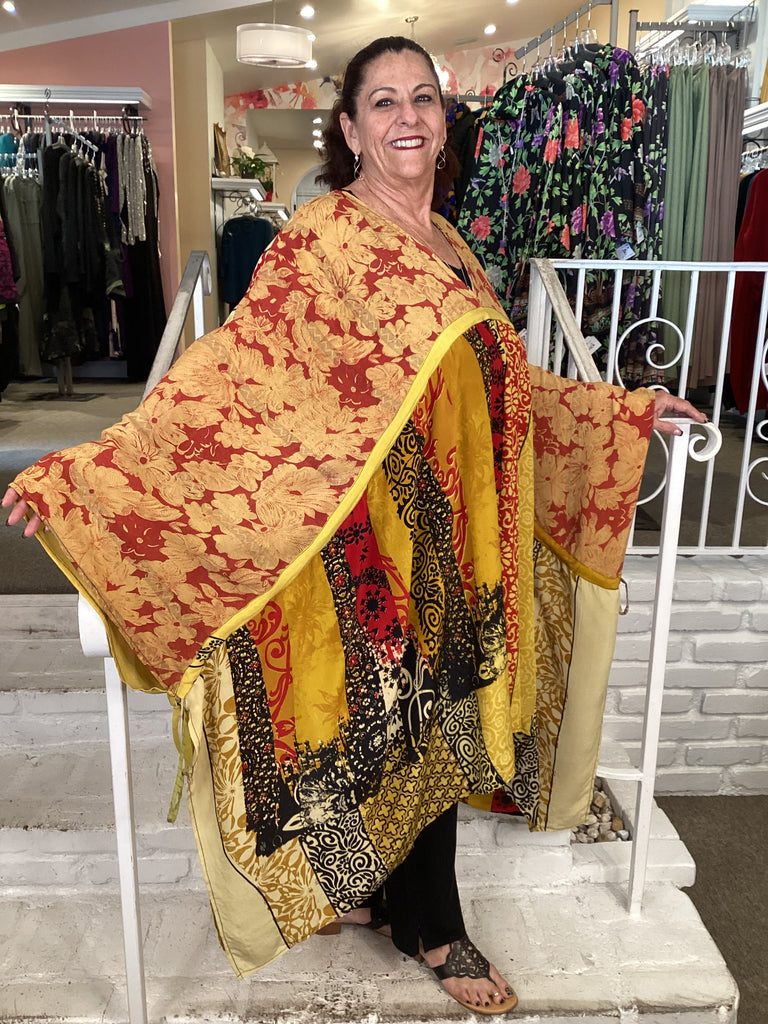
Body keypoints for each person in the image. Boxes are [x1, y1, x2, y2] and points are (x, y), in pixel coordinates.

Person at [3, 35, 705, 1018]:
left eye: (424, 98)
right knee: (412, 723)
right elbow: (228, 379)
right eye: (383, 101)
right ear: (349, 128)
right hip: (357, 531)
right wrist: (90, 476)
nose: (407, 117)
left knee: (427, 721)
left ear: (444, 122)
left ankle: (384, 901)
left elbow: (504, 386)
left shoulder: (450, 243)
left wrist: (623, 410)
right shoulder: (321, 239)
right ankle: (435, 926)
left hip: (452, 534)